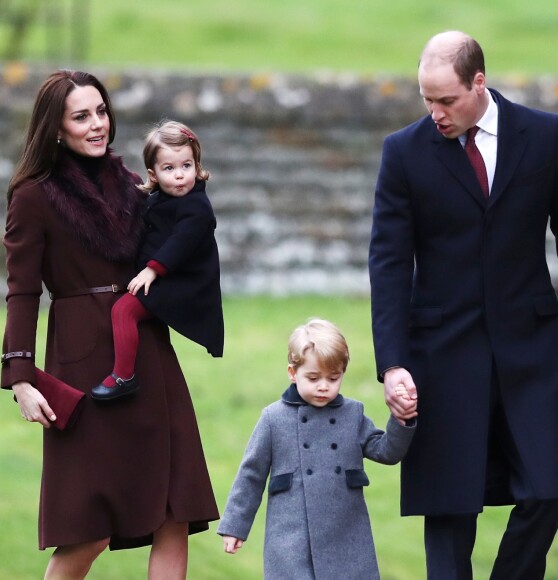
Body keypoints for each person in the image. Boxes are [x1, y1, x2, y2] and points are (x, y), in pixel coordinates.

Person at [369, 30, 558, 580]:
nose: (435, 112)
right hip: (439, 353)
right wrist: (392, 363)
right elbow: (389, 263)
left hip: (529, 349)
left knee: (549, 489)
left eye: (446, 100)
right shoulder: (403, 151)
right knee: (448, 507)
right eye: (426, 99)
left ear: (478, 82)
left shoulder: (544, 135)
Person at [1, 70, 219, 579]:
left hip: (148, 356)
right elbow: (22, 291)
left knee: (173, 512)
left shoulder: (134, 184)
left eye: (101, 111)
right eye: (81, 116)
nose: (97, 124)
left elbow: (186, 238)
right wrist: (19, 378)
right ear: (56, 128)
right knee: (88, 527)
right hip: (81, 365)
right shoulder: (33, 196)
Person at [217, 318, 416, 579]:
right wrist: (235, 526)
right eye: (313, 378)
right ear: (292, 373)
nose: (324, 386)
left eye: (333, 378)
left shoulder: (353, 414)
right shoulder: (273, 418)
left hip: (347, 534)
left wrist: (401, 420)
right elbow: (251, 475)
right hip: (290, 538)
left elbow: (386, 452)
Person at [91, 120, 224, 400]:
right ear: (153, 174)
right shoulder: (156, 199)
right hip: (165, 278)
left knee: (124, 310)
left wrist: (152, 270)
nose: (179, 175)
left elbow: (181, 242)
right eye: (169, 168)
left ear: (197, 166)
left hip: (182, 284)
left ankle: (123, 376)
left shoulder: (197, 207)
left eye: (186, 166)